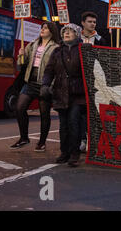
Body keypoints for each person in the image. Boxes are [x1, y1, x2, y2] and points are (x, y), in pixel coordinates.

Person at [10, 22, 60, 151]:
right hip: (30, 82)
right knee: (19, 108)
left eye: (45, 28)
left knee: (44, 114)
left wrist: (52, 85)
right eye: (42, 28)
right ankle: (24, 138)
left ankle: (42, 142)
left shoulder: (56, 47)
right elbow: (21, 65)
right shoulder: (32, 44)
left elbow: (57, 68)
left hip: (45, 83)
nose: (42, 30)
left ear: (51, 31)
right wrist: (21, 55)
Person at [41, 23, 86, 167]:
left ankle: (74, 154)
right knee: (63, 125)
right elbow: (49, 71)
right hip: (60, 93)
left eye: (70, 31)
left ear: (77, 34)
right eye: (64, 31)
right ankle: (64, 152)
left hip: (77, 94)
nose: (66, 33)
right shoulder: (56, 52)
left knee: (74, 123)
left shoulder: (84, 50)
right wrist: (45, 85)